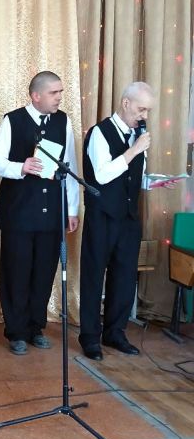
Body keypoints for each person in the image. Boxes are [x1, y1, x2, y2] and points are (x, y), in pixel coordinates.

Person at [0, 71, 79, 354]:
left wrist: (72, 208)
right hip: (18, 212)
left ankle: (35, 327)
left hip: (51, 212)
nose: (59, 98)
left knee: (43, 271)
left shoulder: (63, 121)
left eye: (61, 92)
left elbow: (70, 165)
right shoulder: (12, 120)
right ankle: (16, 331)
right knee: (16, 272)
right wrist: (21, 167)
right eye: (54, 93)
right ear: (36, 95)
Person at [79, 81, 156, 361]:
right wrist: (134, 150)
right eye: (141, 109)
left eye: (147, 111)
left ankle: (115, 333)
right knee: (94, 276)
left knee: (124, 277)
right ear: (125, 103)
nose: (144, 116)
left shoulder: (138, 135)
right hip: (102, 216)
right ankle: (90, 337)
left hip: (128, 218)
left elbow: (135, 176)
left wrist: (155, 182)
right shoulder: (100, 133)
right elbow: (101, 175)